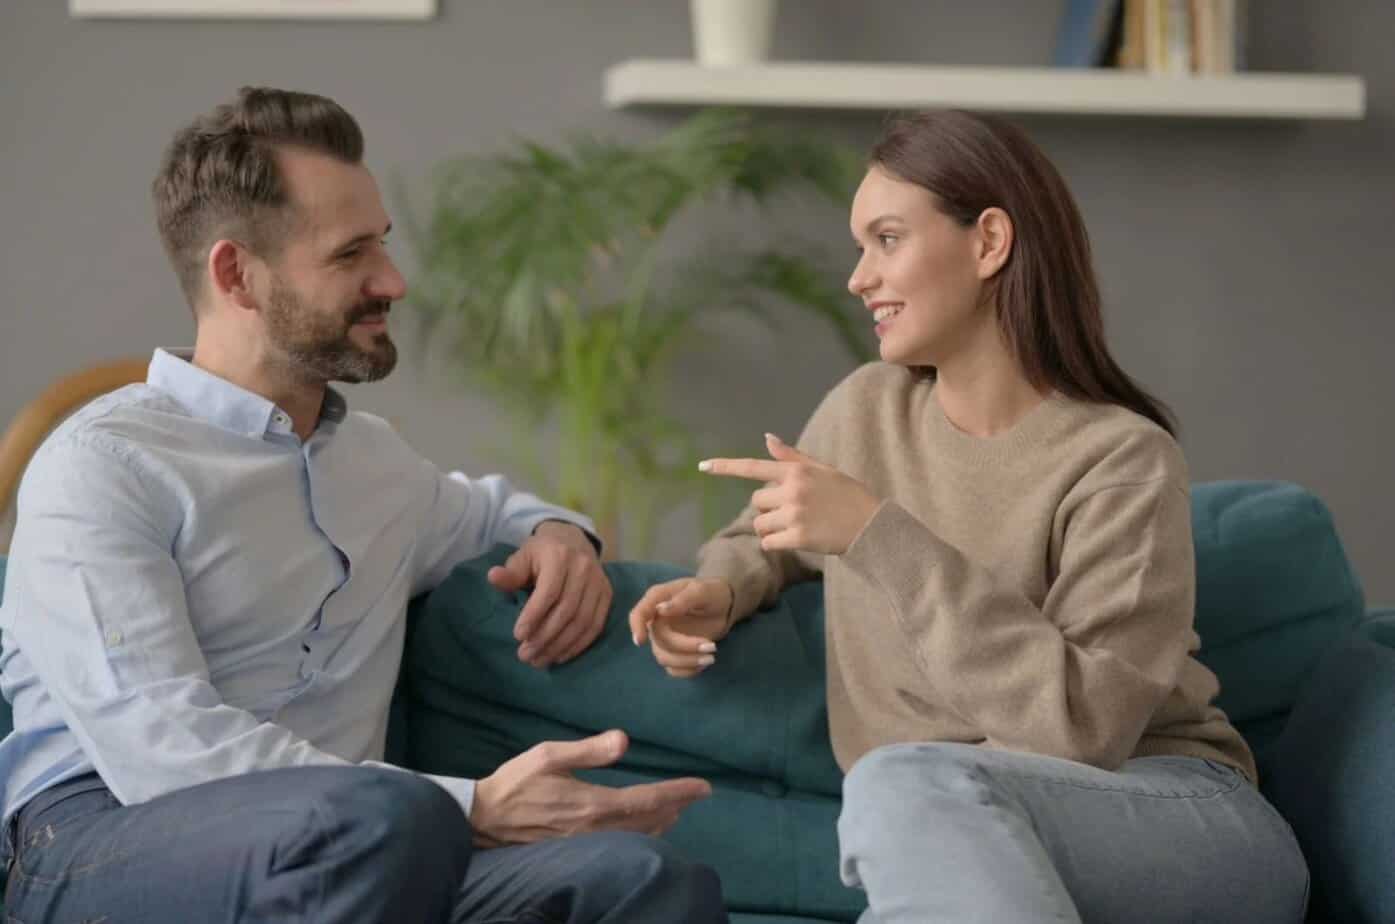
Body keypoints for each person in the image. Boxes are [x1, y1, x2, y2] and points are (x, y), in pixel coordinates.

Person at [0, 86, 725, 924]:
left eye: (382, 244)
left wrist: (562, 535)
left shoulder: (376, 463)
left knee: (641, 880)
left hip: (365, 853)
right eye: (351, 256)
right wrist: (472, 808)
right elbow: (161, 748)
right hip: (101, 840)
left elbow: (492, 513)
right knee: (388, 818)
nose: (394, 281)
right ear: (236, 274)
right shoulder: (104, 466)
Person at [629, 110, 1307, 923]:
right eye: (859, 246)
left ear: (988, 242)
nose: (857, 277)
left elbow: (1084, 729)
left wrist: (878, 536)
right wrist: (721, 589)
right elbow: (769, 529)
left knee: (901, 777)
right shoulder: (865, 411)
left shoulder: (1120, 458)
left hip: (1168, 814)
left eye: (885, 239)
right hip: (957, 823)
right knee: (911, 791)